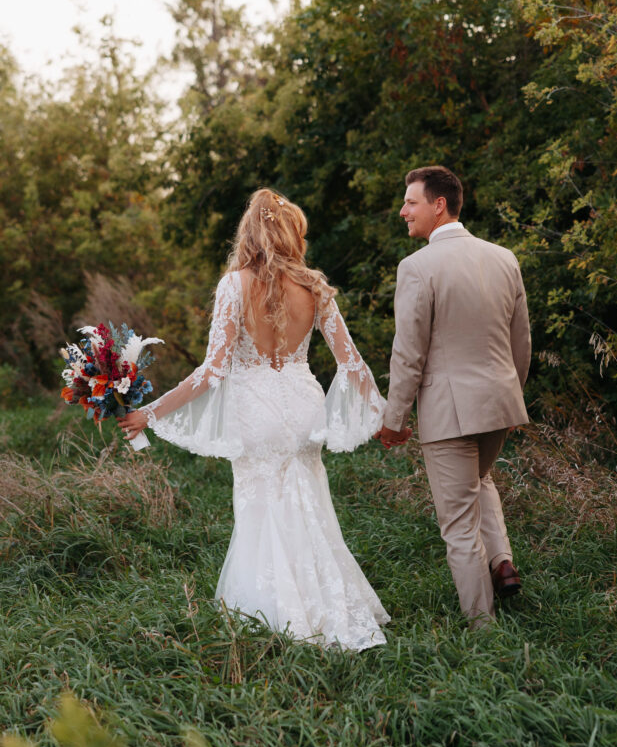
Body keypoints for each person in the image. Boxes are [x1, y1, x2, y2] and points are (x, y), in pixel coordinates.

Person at [120, 189, 389, 651]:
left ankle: (278, 618)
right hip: (304, 405)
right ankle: (331, 608)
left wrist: (149, 412)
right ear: (291, 233)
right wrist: (382, 416)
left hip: (256, 408)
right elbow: (353, 364)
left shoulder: (234, 285)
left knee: (261, 510)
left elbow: (212, 372)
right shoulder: (315, 287)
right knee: (310, 504)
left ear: (249, 232)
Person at [375, 165, 531, 627]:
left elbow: (408, 354)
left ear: (438, 205)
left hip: (450, 414)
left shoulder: (417, 267)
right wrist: (509, 395)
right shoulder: (504, 258)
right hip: (500, 404)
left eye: (411, 202)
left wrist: (394, 418)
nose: (403, 211)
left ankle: (483, 632)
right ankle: (502, 561)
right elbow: (521, 342)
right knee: (478, 481)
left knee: (459, 525)